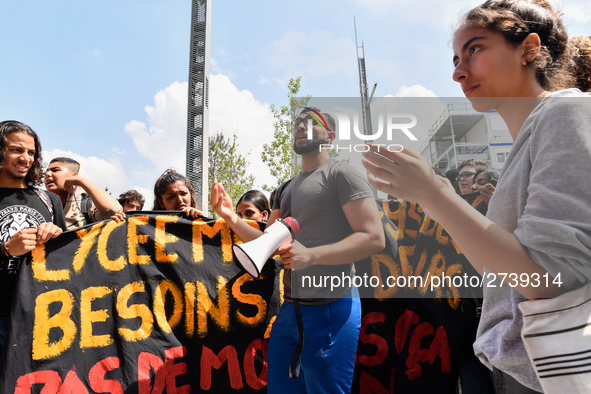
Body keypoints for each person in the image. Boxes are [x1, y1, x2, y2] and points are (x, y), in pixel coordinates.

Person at [361, 1, 591, 392]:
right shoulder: (531, 141)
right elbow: (502, 275)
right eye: (455, 57)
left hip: (550, 372)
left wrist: (434, 195)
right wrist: (442, 198)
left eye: (475, 49)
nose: (458, 71)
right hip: (520, 369)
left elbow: (549, 280)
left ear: (529, 49)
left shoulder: (567, 112)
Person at [211, 107, 385, 393]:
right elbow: (266, 243)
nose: (301, 127)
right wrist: (229, 217)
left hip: (332, 306)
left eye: (311, 123)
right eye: (298, 123)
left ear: (330, 136)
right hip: (292, 309)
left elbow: (373, 237)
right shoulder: (285, 188)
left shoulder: (342, 175)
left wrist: (312, 256)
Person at [0, 121, 66, 360]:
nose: (25, 158)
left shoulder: (50, 201)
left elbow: (67, 260)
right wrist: (6, 250)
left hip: (38, 317)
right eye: (16, 150)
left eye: (31, 152)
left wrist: (57, 238)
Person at [44, 157, 123, 229]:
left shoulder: (85, 207)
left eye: (55, 170)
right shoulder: (41, 206)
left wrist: (81, 181)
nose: (48, 174)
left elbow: (114, 211)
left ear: (74, 176)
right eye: (46, 172)